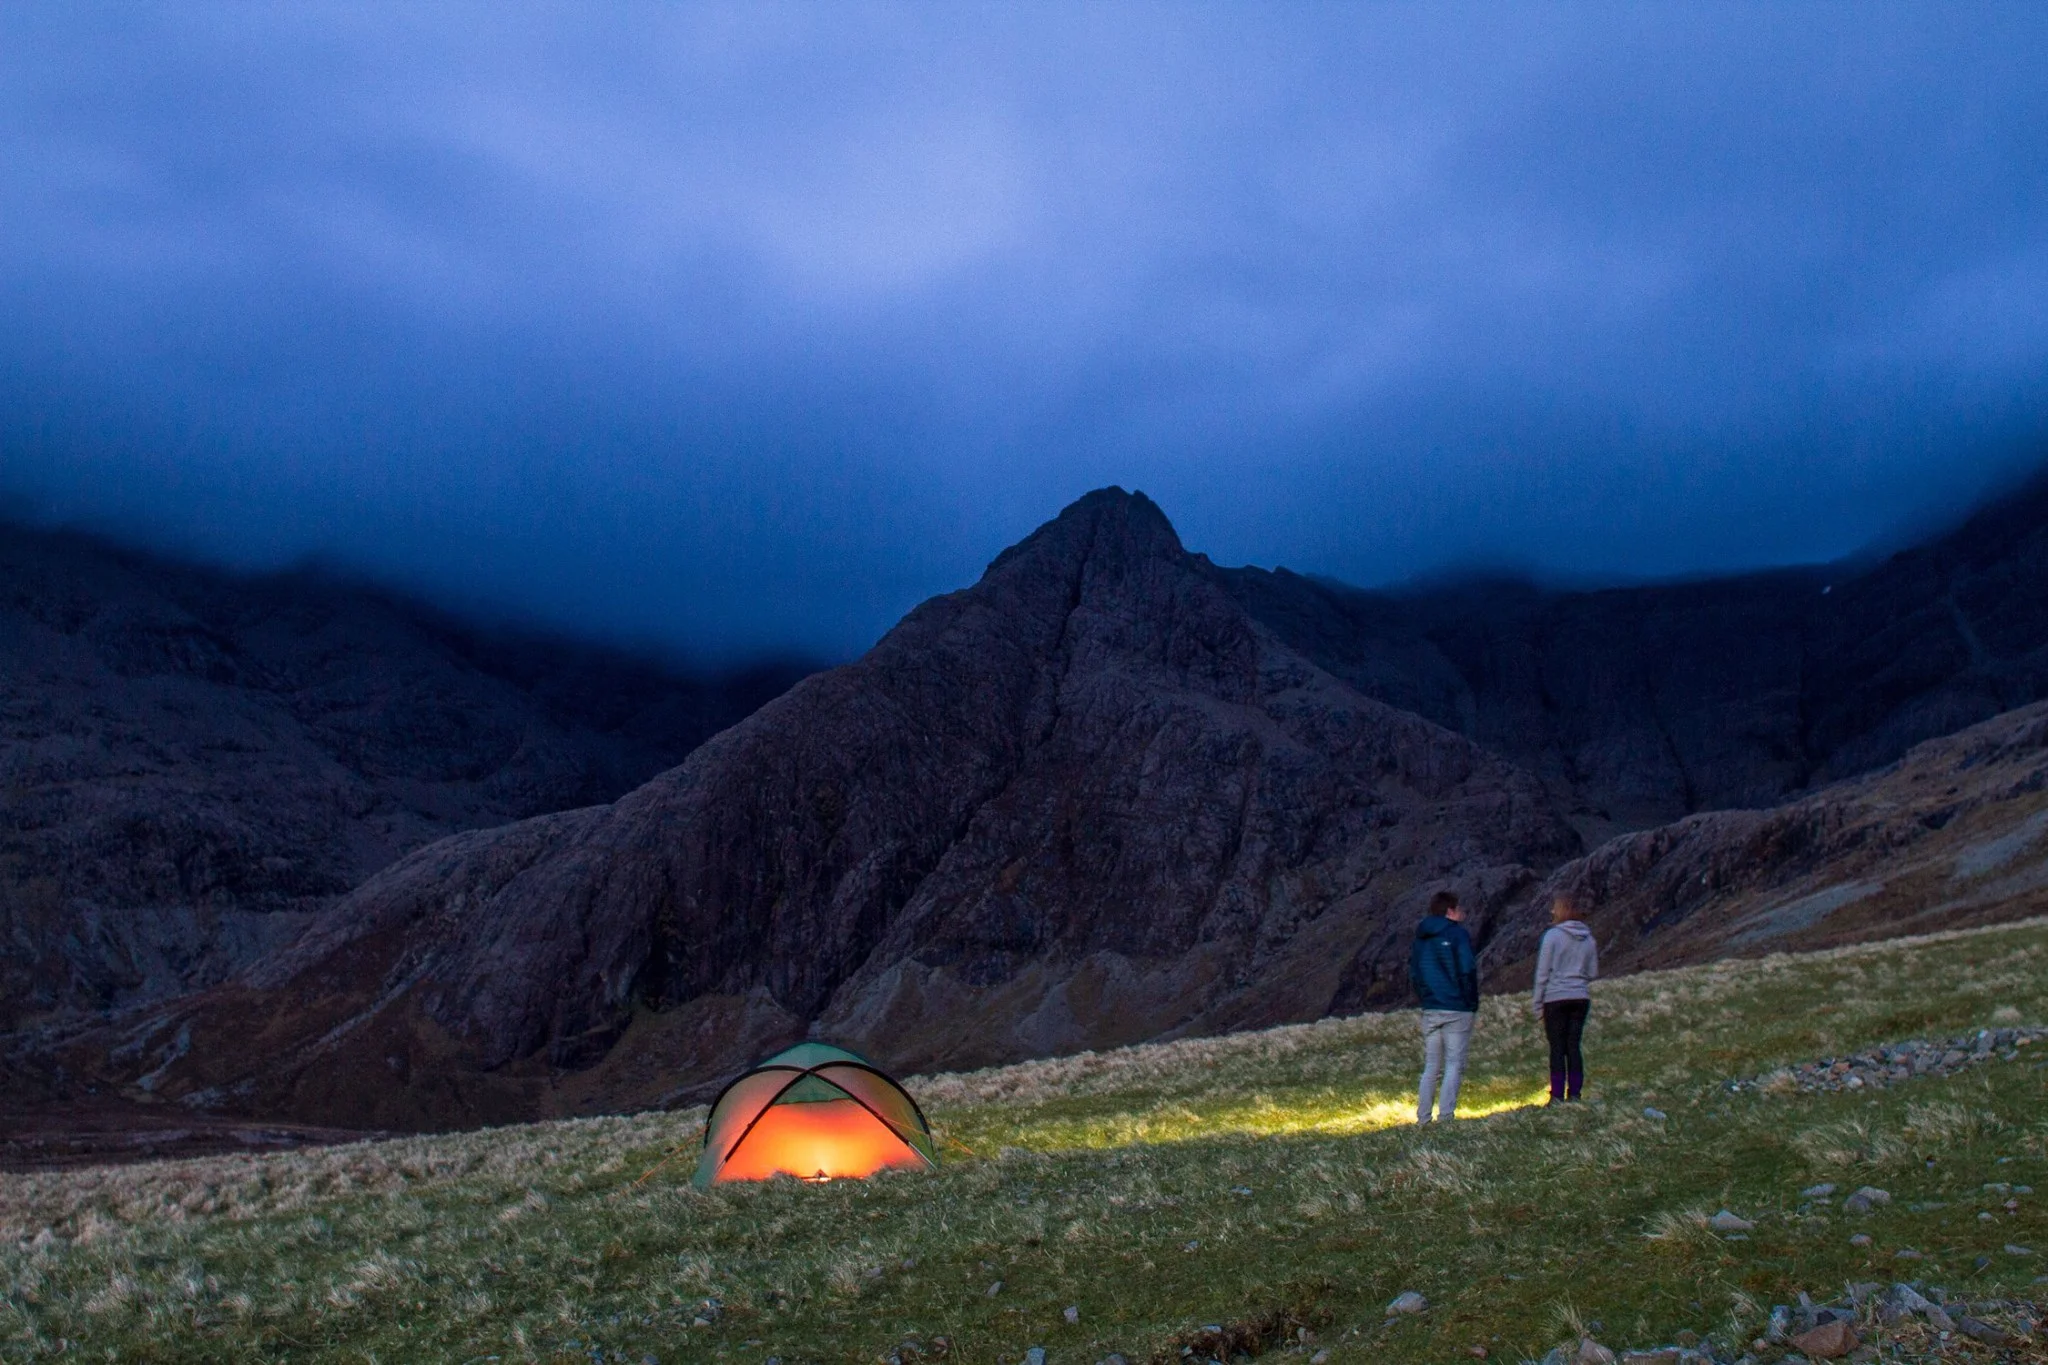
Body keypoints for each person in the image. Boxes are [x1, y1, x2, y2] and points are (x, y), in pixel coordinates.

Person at [1409, 888, 1478, 1123]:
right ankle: (1446, 1115)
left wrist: (1425, 997)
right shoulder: (1458, 935)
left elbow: (1415, 972)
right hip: (1457, 1006)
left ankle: (1423, 1117)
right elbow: (1467, 969)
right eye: (1459, 908)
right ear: (1450, 911)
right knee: (1454, 1064)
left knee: (1431, 1066)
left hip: (1431, 1006)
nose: (1462, 912)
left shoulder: (1421, 938)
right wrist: (1470, 1001)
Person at [1532, 893, 1599, 1103]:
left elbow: (1542, 973)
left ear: (1560, 910)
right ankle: (1576, 1093)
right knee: (1573, 1046)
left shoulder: (1552, 936)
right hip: (1580, 997)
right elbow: (1592, 971)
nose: (1551, 911)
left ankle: (1557, 1095)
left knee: (1557, 1048)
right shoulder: (1588, 938)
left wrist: (1537, 1003)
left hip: (1555, 998)